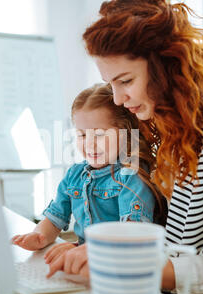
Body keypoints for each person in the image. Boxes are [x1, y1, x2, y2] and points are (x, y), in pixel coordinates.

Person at [46, 0, 203, 294]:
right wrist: (91, 253)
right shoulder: (165, 126)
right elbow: (168, 239)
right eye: (111, 85)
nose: (119, 100)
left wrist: (132, 267)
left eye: (126, 81)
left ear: (166, 66)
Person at [12, 83, 167, 258]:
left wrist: (83, 250)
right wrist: (39, 236)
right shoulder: (74, 175)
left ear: (125, 133)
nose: (90, 144)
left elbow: (132, 234)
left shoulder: (131, 176)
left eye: (99, 134)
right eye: (82, 135)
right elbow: (55, 218)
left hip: (121, 264)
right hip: (87, 260)